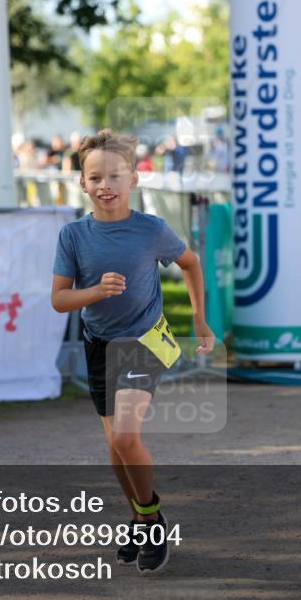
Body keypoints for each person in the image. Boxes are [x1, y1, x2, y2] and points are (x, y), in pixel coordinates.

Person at [51, 129, 215, 574]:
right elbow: (60, 300)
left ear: (134, 179)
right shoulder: (73, 236)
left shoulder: (151, 230)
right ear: (83, 183)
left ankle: (150, 519)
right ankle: (144, 519)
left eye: (116, 176)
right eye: (96, 177)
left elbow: (191, 264)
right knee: (114, 448)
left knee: (126, 437)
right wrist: (94, 292)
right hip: (99, 345)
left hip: (145, 341)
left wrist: (199, 319)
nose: (106, 185)